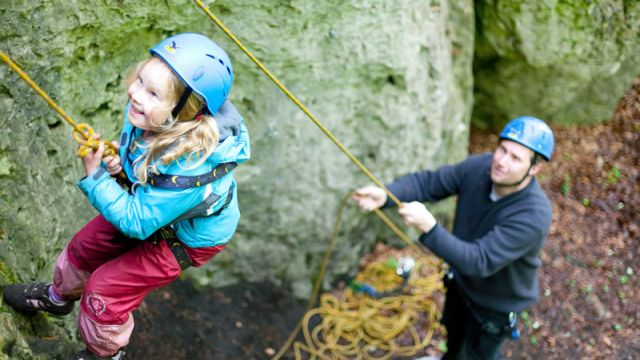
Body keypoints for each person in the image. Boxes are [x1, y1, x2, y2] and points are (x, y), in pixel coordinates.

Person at [3, 33, 250, 360]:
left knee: (105, 290)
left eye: (151, 92)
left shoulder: (191, 171)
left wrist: (96, 177)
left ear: (183, 112)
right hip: (157, 206)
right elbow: (148, 167)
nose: (134, 93)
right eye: (140, 80)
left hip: (185, 238)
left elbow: (137, 221)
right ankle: (58, 297)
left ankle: (105, 353)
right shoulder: (152, 119)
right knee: (84, 246)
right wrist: (121, 163)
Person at [352, 116, 554, 360]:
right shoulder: (480, 168)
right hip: (461, 286)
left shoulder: (534, 213)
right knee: (454, 338)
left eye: (515, 158)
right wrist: (386, 195)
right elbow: (431, 183)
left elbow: (479, 261)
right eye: (502, 150)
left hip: (494, 306)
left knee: (475, 355)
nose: (501, 161)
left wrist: (430, 227)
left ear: (534, 168)